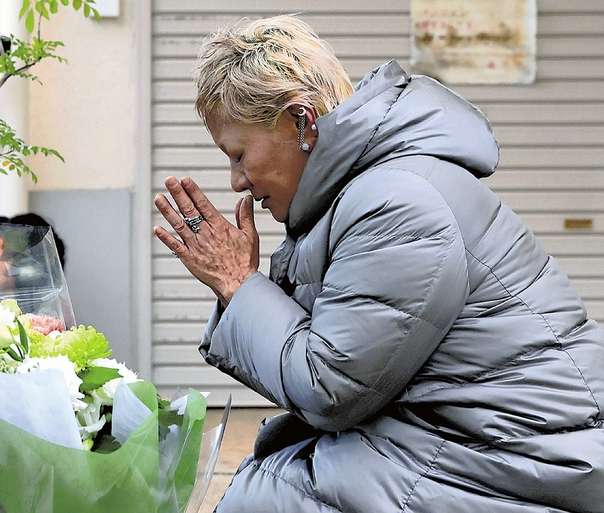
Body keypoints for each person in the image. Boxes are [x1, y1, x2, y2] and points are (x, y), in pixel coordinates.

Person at [153, 14, 604, 513]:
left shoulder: (396, 202)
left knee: (271, 498)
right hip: (482, 443)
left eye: (239, 154)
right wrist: (242, 286)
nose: (236, 180)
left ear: (301, 122)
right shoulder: (363, 193)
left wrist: (240, 285)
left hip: (528, 459)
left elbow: (330, 388)